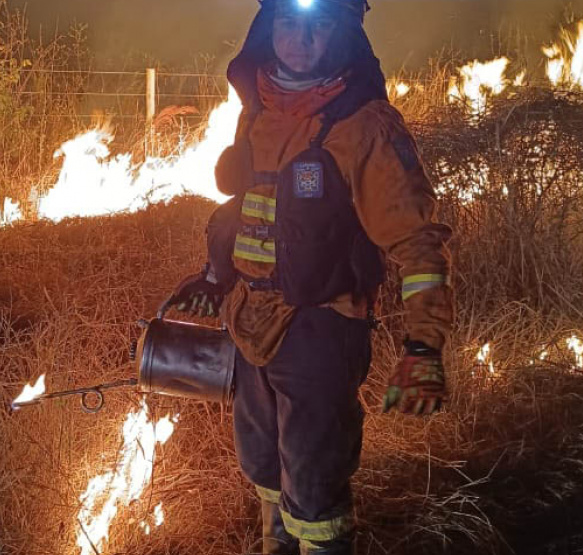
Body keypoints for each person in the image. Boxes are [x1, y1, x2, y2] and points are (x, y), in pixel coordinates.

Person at [171, 0, 454, 553]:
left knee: (316, 492)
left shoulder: (364, 127)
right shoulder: (259, 106)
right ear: (268, 28)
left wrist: (424, 345)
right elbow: (251, 207)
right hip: (250, 325)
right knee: (268, 475)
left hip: (320, 331)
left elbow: (416, 241)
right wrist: (214, 275)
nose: (299, 40)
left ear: (343, 32)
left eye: (318, 25)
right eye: (287, 23)